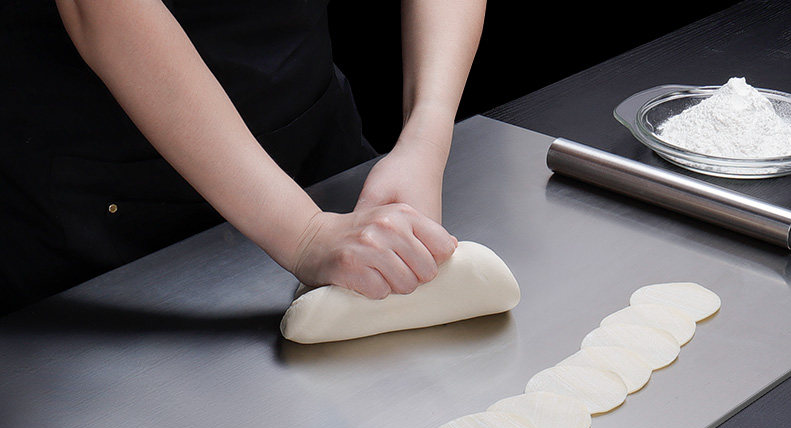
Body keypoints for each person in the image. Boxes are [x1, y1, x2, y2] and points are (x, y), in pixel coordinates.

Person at [0, 1, 486, 313]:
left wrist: (425, 135)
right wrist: (304, 235)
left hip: (316, 145)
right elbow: (100, 11)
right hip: (113, 202)